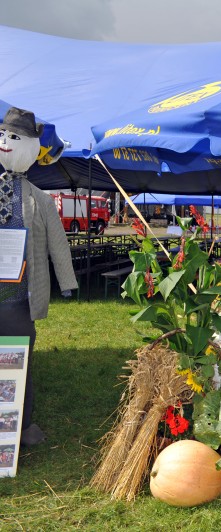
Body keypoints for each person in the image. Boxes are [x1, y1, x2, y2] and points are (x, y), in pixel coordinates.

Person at [0, 107, 78, 446]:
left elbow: (59, 244)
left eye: (14, 138)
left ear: (31, 148)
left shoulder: (41, 200)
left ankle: (22, 424)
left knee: (19, 363)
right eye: (2, 136)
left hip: (20, 300)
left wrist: (68, 282)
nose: (5, 143)